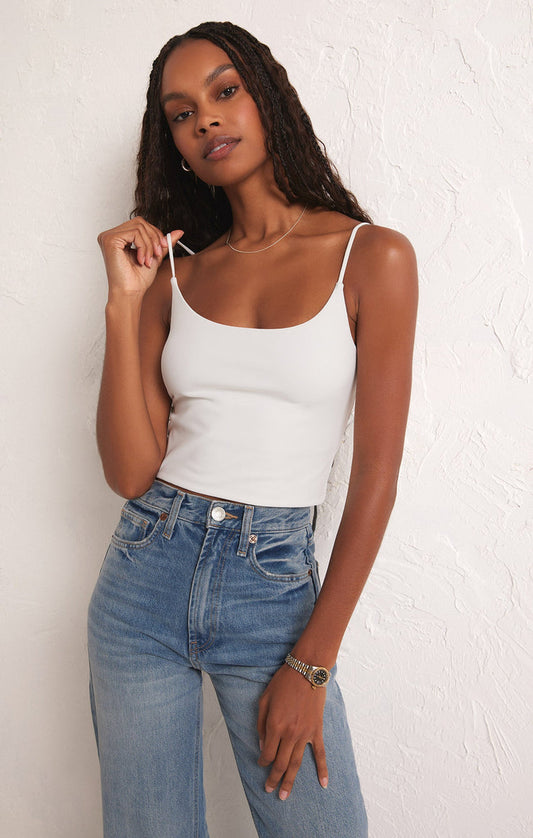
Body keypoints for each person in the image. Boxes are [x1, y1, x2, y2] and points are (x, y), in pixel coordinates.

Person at [87, 20, 418, 838]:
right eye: (180, 113)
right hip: (142, 577)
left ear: (266, 99)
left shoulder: (372, 257)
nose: (203, 118)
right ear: (173, 145)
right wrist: (124, 305)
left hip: (270, 592)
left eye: (224, 91)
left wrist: (312, 662)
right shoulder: (176, 277)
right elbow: (129, 474)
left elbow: (375, 476)